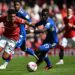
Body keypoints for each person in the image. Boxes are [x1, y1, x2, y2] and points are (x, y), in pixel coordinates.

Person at [0, 0, 38, 69]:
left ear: (20, 5)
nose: (16, 6)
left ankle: (5, 63)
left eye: (17, 5)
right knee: (23, 48)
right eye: (15, 5)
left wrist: (34, 28)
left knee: (14, 48)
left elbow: (28, 22)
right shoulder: (10, 14)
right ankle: (35, 55)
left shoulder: (22, 14)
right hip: (7, 35)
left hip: (20, 34)